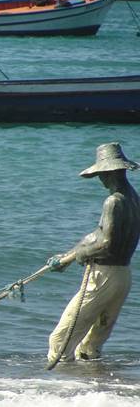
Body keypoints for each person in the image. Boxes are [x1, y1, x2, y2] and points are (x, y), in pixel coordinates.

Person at [47, 142, 140, 363]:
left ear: (108, 173)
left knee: (60, 340)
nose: (100, 179)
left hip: (102, 277)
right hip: (122, 276)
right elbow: (98, 235)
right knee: (92, 342)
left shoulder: (112, 201)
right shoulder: (134, 199)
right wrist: (67, 257)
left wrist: (81, 255)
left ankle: (60, 391)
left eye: (101, 174)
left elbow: (105, 243)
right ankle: (93, 386)